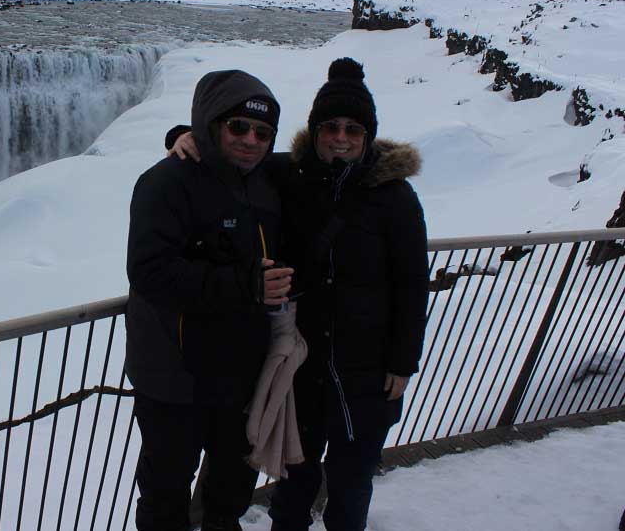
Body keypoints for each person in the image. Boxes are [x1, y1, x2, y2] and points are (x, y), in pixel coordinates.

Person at [168, 58, 429, 531]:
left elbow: (412, 283)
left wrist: (402, 361)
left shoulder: (394, 197)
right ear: (315, 130)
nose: (341, 137)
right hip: (302, 370)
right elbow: (237, 151)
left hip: (366, 371)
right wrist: (183, 137)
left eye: (353, 127)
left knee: (351, 487)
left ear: (369, 133)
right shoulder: (290, 175)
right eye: (330, 126)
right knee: (294, 483)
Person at [126, 69, 294, 531]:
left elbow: (334, 162)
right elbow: (148, 272)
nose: (250, 141)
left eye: (263, 132)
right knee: (166, 493)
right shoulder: (167, 182)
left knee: (230, 487)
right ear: (212, 124)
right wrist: (246, 286)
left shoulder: (266, 181)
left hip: (238, 376)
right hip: (173, 375)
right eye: (236, 126)